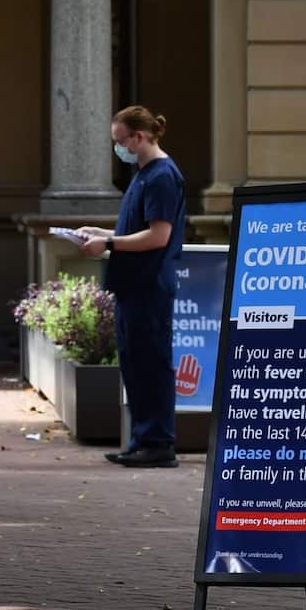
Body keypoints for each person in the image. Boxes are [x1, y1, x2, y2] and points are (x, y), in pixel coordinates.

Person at [79, 106, 186, 468]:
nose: (119, 148)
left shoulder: (161, 177)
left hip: (149, 285)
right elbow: (137, 231)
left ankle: (157, 442)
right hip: (135, 284)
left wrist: (109, 244)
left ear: (139, 138)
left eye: (120, 141)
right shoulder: (144, 176)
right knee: (136, 363)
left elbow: (159, 236)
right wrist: (105, 234)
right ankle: (144, 439)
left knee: (151, 364)